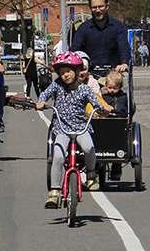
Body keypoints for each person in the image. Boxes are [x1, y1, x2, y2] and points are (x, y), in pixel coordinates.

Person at [36, 51, 113, 208]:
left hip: (80, 127)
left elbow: (96, 103)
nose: (65, 75)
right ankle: (54, 193)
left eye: (68, 71)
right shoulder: (57, 85)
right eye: (62, 72)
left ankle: (91, 175)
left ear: (77, 71)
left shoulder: (84, 89)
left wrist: (104, 109)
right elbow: (45, 94)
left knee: (89, 147)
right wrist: (41, 101)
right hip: (62, 128)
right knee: (57, 156)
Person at [72, 0, 130, 74]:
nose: (98, 10)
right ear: (90, 8)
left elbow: (124, 48)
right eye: (94, 7)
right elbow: (75, 50)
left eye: (101, 6)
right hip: (90, 74)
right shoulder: (83, 28)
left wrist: (124, 63)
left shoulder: (118, 27)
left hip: (113, 74)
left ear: (107, 6)